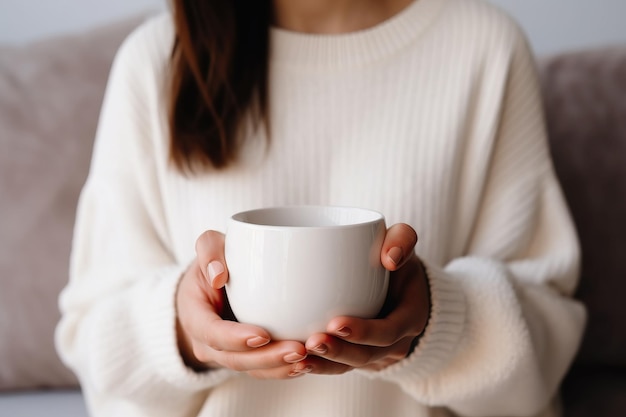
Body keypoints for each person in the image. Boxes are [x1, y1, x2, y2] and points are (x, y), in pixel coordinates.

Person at [55, 0, 586, 416]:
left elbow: (545, 350)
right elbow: (91, 338)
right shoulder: (157, 59)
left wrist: (434, 322)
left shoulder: (484, 47)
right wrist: (183, 330)